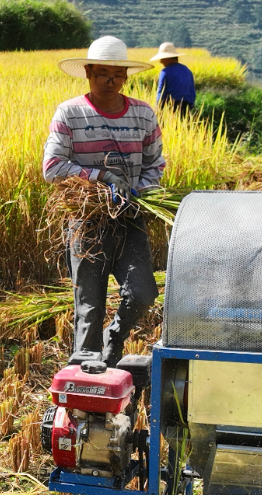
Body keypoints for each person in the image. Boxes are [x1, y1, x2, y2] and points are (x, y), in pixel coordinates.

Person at [43, 36, 165, 368]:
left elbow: (156, 163)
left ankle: (116, 337)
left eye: (115, 75)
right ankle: (87, 372)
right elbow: (52, 168)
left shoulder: (142, 114)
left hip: (130, 217)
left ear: (125, 76)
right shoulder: (70, 112)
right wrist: (103, 177)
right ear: (88, 73)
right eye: (101, 74)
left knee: (143, 293)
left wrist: (139, 188)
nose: (109, 82)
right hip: (87, 220)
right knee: (90, 304)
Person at [151, 41, 195, 113]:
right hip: (187, 106)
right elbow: (192, 91)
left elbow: (161, 92)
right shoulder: (187, 70)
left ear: (168, 58)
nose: (160, 61)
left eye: (162, 58)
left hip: (171, 107)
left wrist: (157, 108)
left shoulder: (165, 72)